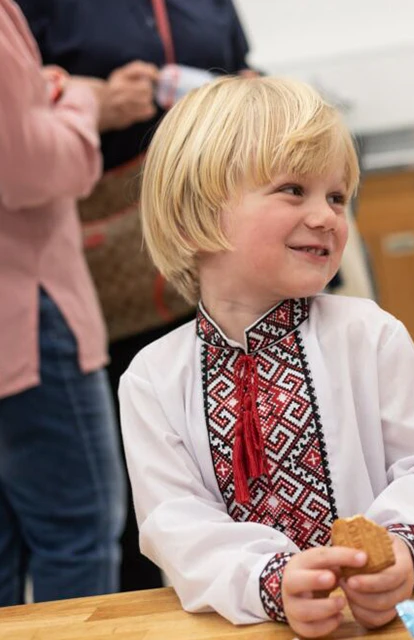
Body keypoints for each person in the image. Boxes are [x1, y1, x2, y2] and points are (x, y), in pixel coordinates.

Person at [119, 76, 414, 637]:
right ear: (198, 208)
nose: (327, 217)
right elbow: (176, 524)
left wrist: (404, 551)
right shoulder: (152, 378)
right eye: (294, 190)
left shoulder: (370, 334)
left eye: (337, 196)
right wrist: (270, 581)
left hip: (405, 617)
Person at [16, 0, 258, 592]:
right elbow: (21, 115)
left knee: (223, 436)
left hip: (213, 242)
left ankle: (245, 575)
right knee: (128, 466)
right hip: (104, 259)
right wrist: (94, 102)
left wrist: (247, 96)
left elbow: (243, 67)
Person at [0, 0, 125, 605]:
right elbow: (26, 170)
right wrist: (81, 101)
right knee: (76, 533)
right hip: (25, 310)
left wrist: (35, 93)